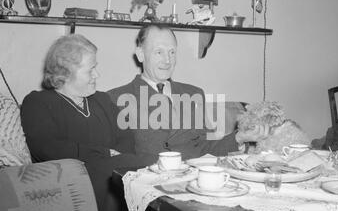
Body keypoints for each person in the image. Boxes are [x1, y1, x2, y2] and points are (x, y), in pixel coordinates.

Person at [21, 34, 156, 211]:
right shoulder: (39, 103)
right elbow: (47, 148)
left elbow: (126, 138)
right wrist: (105, 153)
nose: (97, 75)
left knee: (151, 165)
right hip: (72, 185)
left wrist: (119, 159)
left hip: (119, 174)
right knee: (111, 173)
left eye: (96, 67)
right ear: (65, 74)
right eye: (90, 70)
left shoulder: (101, 100)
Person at [108, 25, 268, 161]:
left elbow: (208, 148)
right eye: (159, 52)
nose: (167, 60)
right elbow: (117, 161)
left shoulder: (194, 94)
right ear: (141, 54)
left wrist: (239, 137)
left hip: (194, 184)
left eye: (172, 52)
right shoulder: (115, 100)